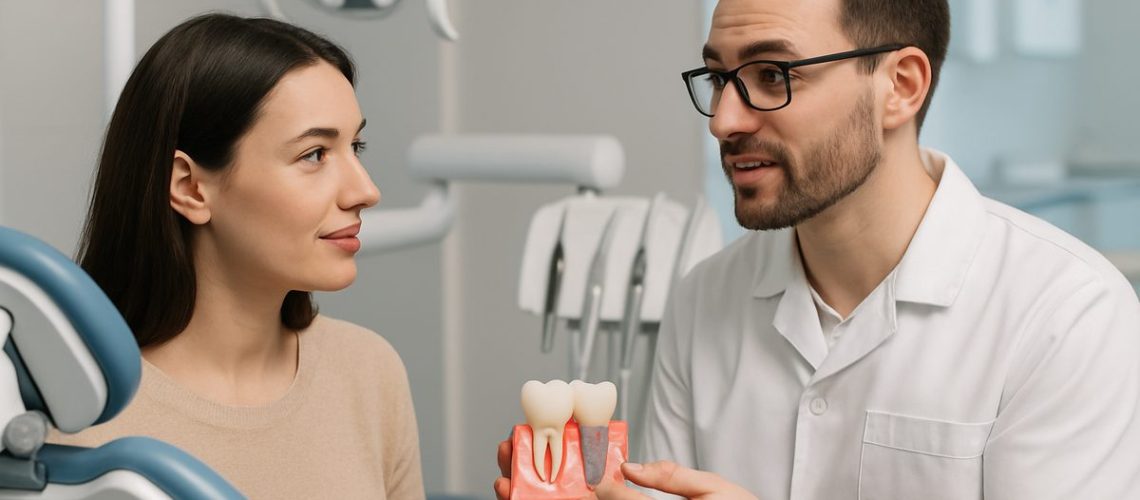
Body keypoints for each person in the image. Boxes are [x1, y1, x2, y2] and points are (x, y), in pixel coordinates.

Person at [496, 0, 1140, 498]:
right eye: (718, 78)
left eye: (772, 75)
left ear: (901, 86)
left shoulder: (1067, 316)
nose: (724, 120)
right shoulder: (704, 300)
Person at [50, 13, 425, 499]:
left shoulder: (368, 372)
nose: (366, 191)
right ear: (190, 187)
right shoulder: (67, 417)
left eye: (356, 146)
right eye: (314, 154)